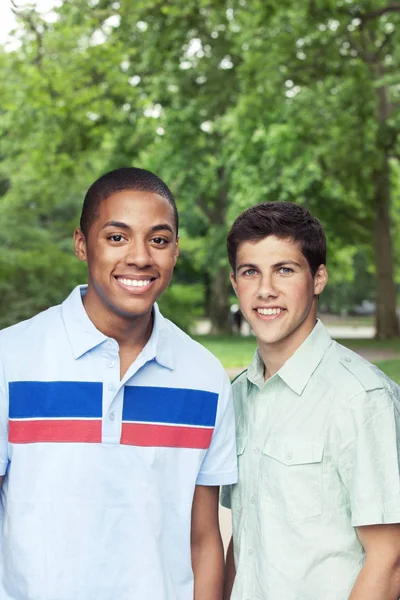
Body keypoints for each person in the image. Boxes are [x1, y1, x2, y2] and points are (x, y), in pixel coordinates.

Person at [0, 167, 237, 600]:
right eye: (116, 237)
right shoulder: (10, 361)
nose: (141, 257)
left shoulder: (205, 379)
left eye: (159, 240)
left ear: (176, 251)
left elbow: (204, 543)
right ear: (80, 244)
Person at [221, 201, 400, 600]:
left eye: (285, 270)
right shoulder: (237, 396)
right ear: (235, 283)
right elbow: (246, 536)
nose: (266, 289)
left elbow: (389, 561)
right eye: (251, 272)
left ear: (318, 278)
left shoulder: (361, 398)